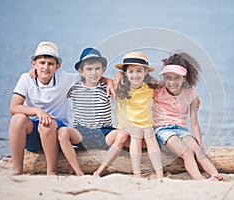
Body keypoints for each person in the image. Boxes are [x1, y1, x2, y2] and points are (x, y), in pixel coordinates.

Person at [9, 41, 81, 175]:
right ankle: (17, 170)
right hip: (33, 134)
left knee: (46, 123)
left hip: (56, 133)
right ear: (33, 64)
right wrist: (38, 111)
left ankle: (51, 171)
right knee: (17, 119)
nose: (45, 67)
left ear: (57, 66)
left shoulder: (64, 78)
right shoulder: (26, 79)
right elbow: (14, 107)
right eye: (42, 63)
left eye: (50, 64)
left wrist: (110, 80)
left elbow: (91, 77)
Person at [152, 52, 224, 181]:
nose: (172, 82)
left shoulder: (190, 94)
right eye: (168, 77)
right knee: (187, 153)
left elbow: (195, 124)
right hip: (163, 130)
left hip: (181, 130)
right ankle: (199, 179)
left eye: (177, 78)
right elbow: (139, 81)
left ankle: (215, 175)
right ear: (164, 77)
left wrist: (200, 144)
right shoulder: (157, 91)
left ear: (184, 78)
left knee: (198, 152)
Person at [94, 52, 164, 178]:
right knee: (133, 131)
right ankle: (134, 174)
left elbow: (172, 86)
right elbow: (95, 77)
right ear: (126, 73)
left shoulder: (149, 88)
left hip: (145, 135)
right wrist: (118, 74)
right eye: (131, 71)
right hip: (124, 133)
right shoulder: (120, 86)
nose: (135, 75)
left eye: (139, 71)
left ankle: (160, 175)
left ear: (145, 72)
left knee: (148, 132)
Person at [57, 47, 120, 176]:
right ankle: (78, 171)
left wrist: (112, 79)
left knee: (122, 134)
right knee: (62, 132)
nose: (94, 73)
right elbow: (54, 81)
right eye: (89, 69)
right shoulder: (74, 88)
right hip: (81, 133)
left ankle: (100, 170)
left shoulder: (107, 87)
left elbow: (122, 77)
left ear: (103, 70)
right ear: (81, 71)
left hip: (104, 132)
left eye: (97, 69)